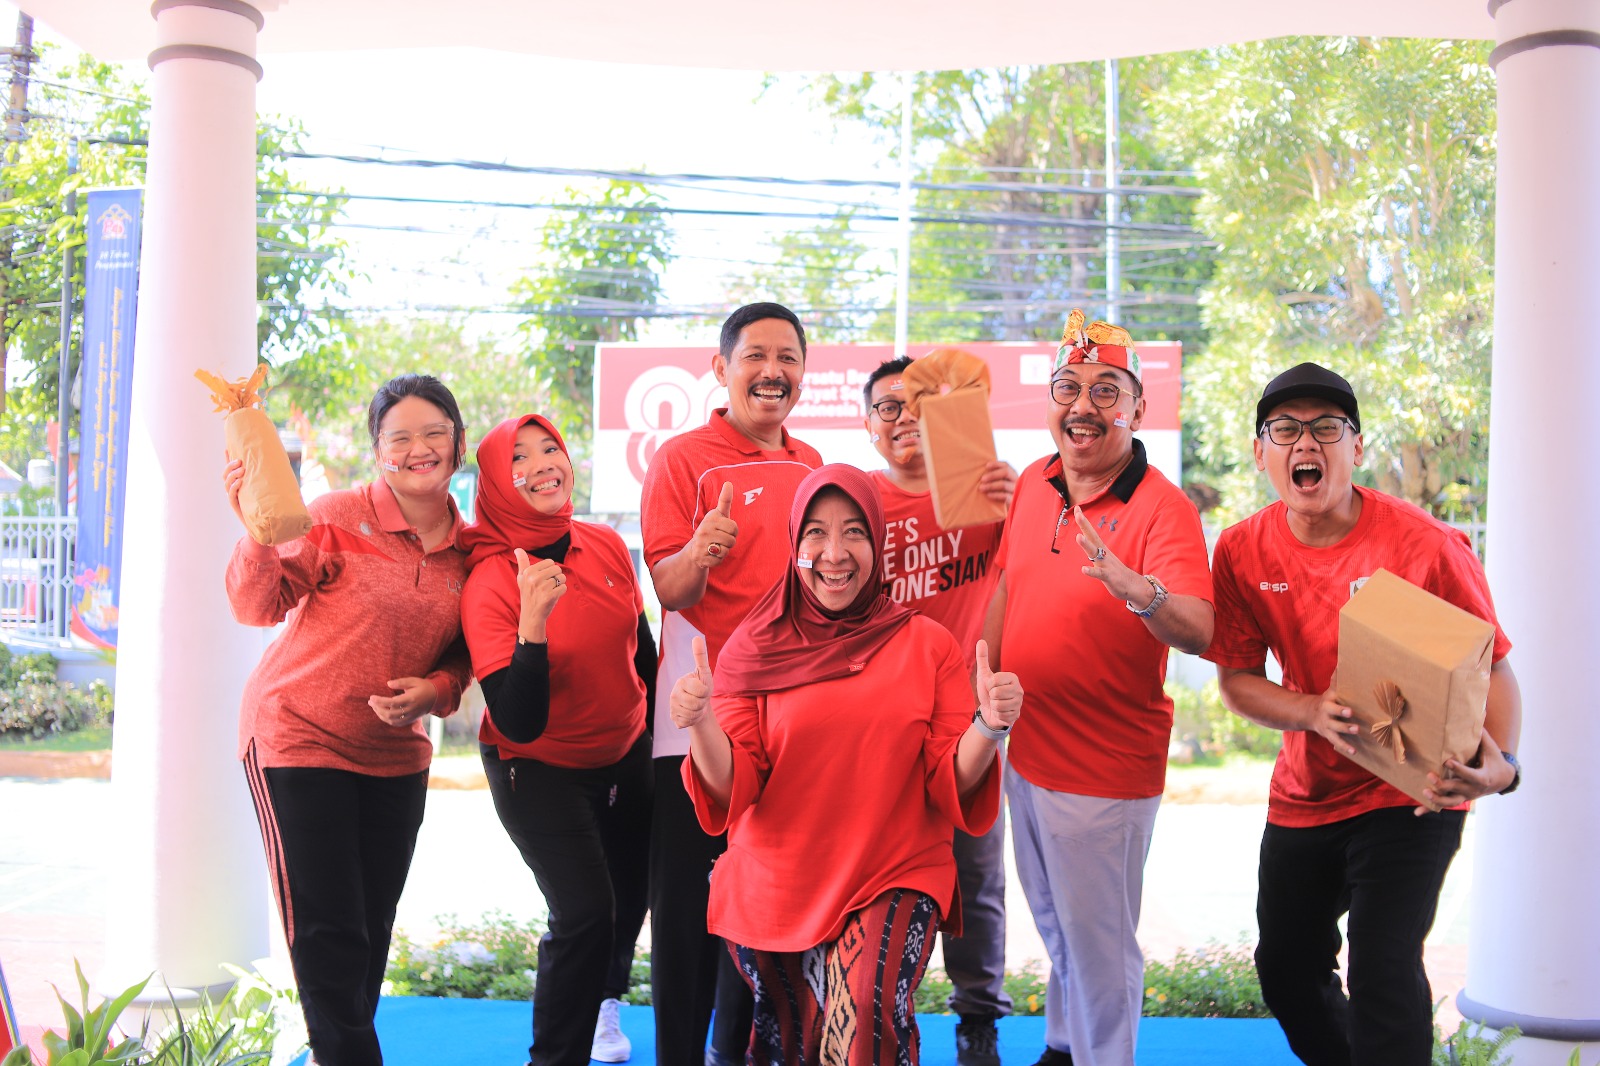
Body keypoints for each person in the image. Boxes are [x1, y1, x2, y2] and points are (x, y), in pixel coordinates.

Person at [1203, 363, 1522, 1066]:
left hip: (1413, 790)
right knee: (1286, 969)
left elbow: (1493, 664)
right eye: (1284, 430)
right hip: (1307, 793)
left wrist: (1502, 766)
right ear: (1259, 452)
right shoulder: (1241, 549)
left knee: (1383, 966)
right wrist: (1310, 711)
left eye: (1326, 428)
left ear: (1357, 447)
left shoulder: (1424, 545)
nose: (1305, 443)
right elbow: (1238, 682)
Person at [670, 464, 1022, 1066]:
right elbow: (734, 786)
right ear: (794, 543)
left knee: (864, 1020)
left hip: (895, 869)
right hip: (779, 881)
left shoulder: (927, 643)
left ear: (878, 542)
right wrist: (701, 722)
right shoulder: (752, 649)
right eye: (816, 533)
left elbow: (948, 778)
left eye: (854, 532)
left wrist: (988, 727)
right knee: (794, 1043)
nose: (834, 553)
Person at [982, 311, 1214, 1066]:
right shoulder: (1034, 481)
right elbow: (1009, 583)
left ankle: (1102, 1056)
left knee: (1099, 945)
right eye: (1068, 388)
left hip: (1104, 771)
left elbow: (1199, 629)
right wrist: (980, 685)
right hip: (1027, 751)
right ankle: (1061, 1046)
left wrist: (1137, 589)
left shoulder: (1163, 508)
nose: (1083, 406)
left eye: (1106, 390)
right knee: (1057, 924)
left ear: (1137, 409)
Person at [223, 373, 472, 1066]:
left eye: (434, 433)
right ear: (378, 451)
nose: (419, 449)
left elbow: (465, 654)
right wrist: (258, 536)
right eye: (400, 437)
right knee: (328, 933)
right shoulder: (335, 515)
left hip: (393, 757)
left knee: (367, 932)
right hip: (297, 735)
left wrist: (435, 690)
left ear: (459, 445)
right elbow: (256, 607)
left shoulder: (472, 550)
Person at [640, 302, 824, 1066]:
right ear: (721, 369)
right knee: (686, 913)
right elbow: (669, 586)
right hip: (696, 719)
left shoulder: (813, 465)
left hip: (787, 722)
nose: (772, 372)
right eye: (755, 356)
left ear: (803, 372)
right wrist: (700, 551)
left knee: (762, 908)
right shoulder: (682, 459)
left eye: (787, 357)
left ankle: (737, 1053)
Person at [458, 414, 656, 1066]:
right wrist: (533, 625)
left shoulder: (604, 544)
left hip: (625, 749)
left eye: (550, 448)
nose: (542, 463)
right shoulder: (490, 580)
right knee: (584, 912)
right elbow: (519, 719)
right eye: (519, 457)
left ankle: (604, 1005)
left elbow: (642, 651)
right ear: (496, 481)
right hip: (536, 765)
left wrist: (660, 745)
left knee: (629, 897)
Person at [862, 355, 1017, 1066]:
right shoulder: (857, 503)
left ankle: (978, 1017)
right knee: (875, 874)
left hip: (966, 721)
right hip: (877, 722)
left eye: (914, 404)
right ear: (867, 425)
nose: (903, 418)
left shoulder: (981, 489)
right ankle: (871, 1007)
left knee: (975, 875)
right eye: (886, 407)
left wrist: (1016, 508)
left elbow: (1031, 570)